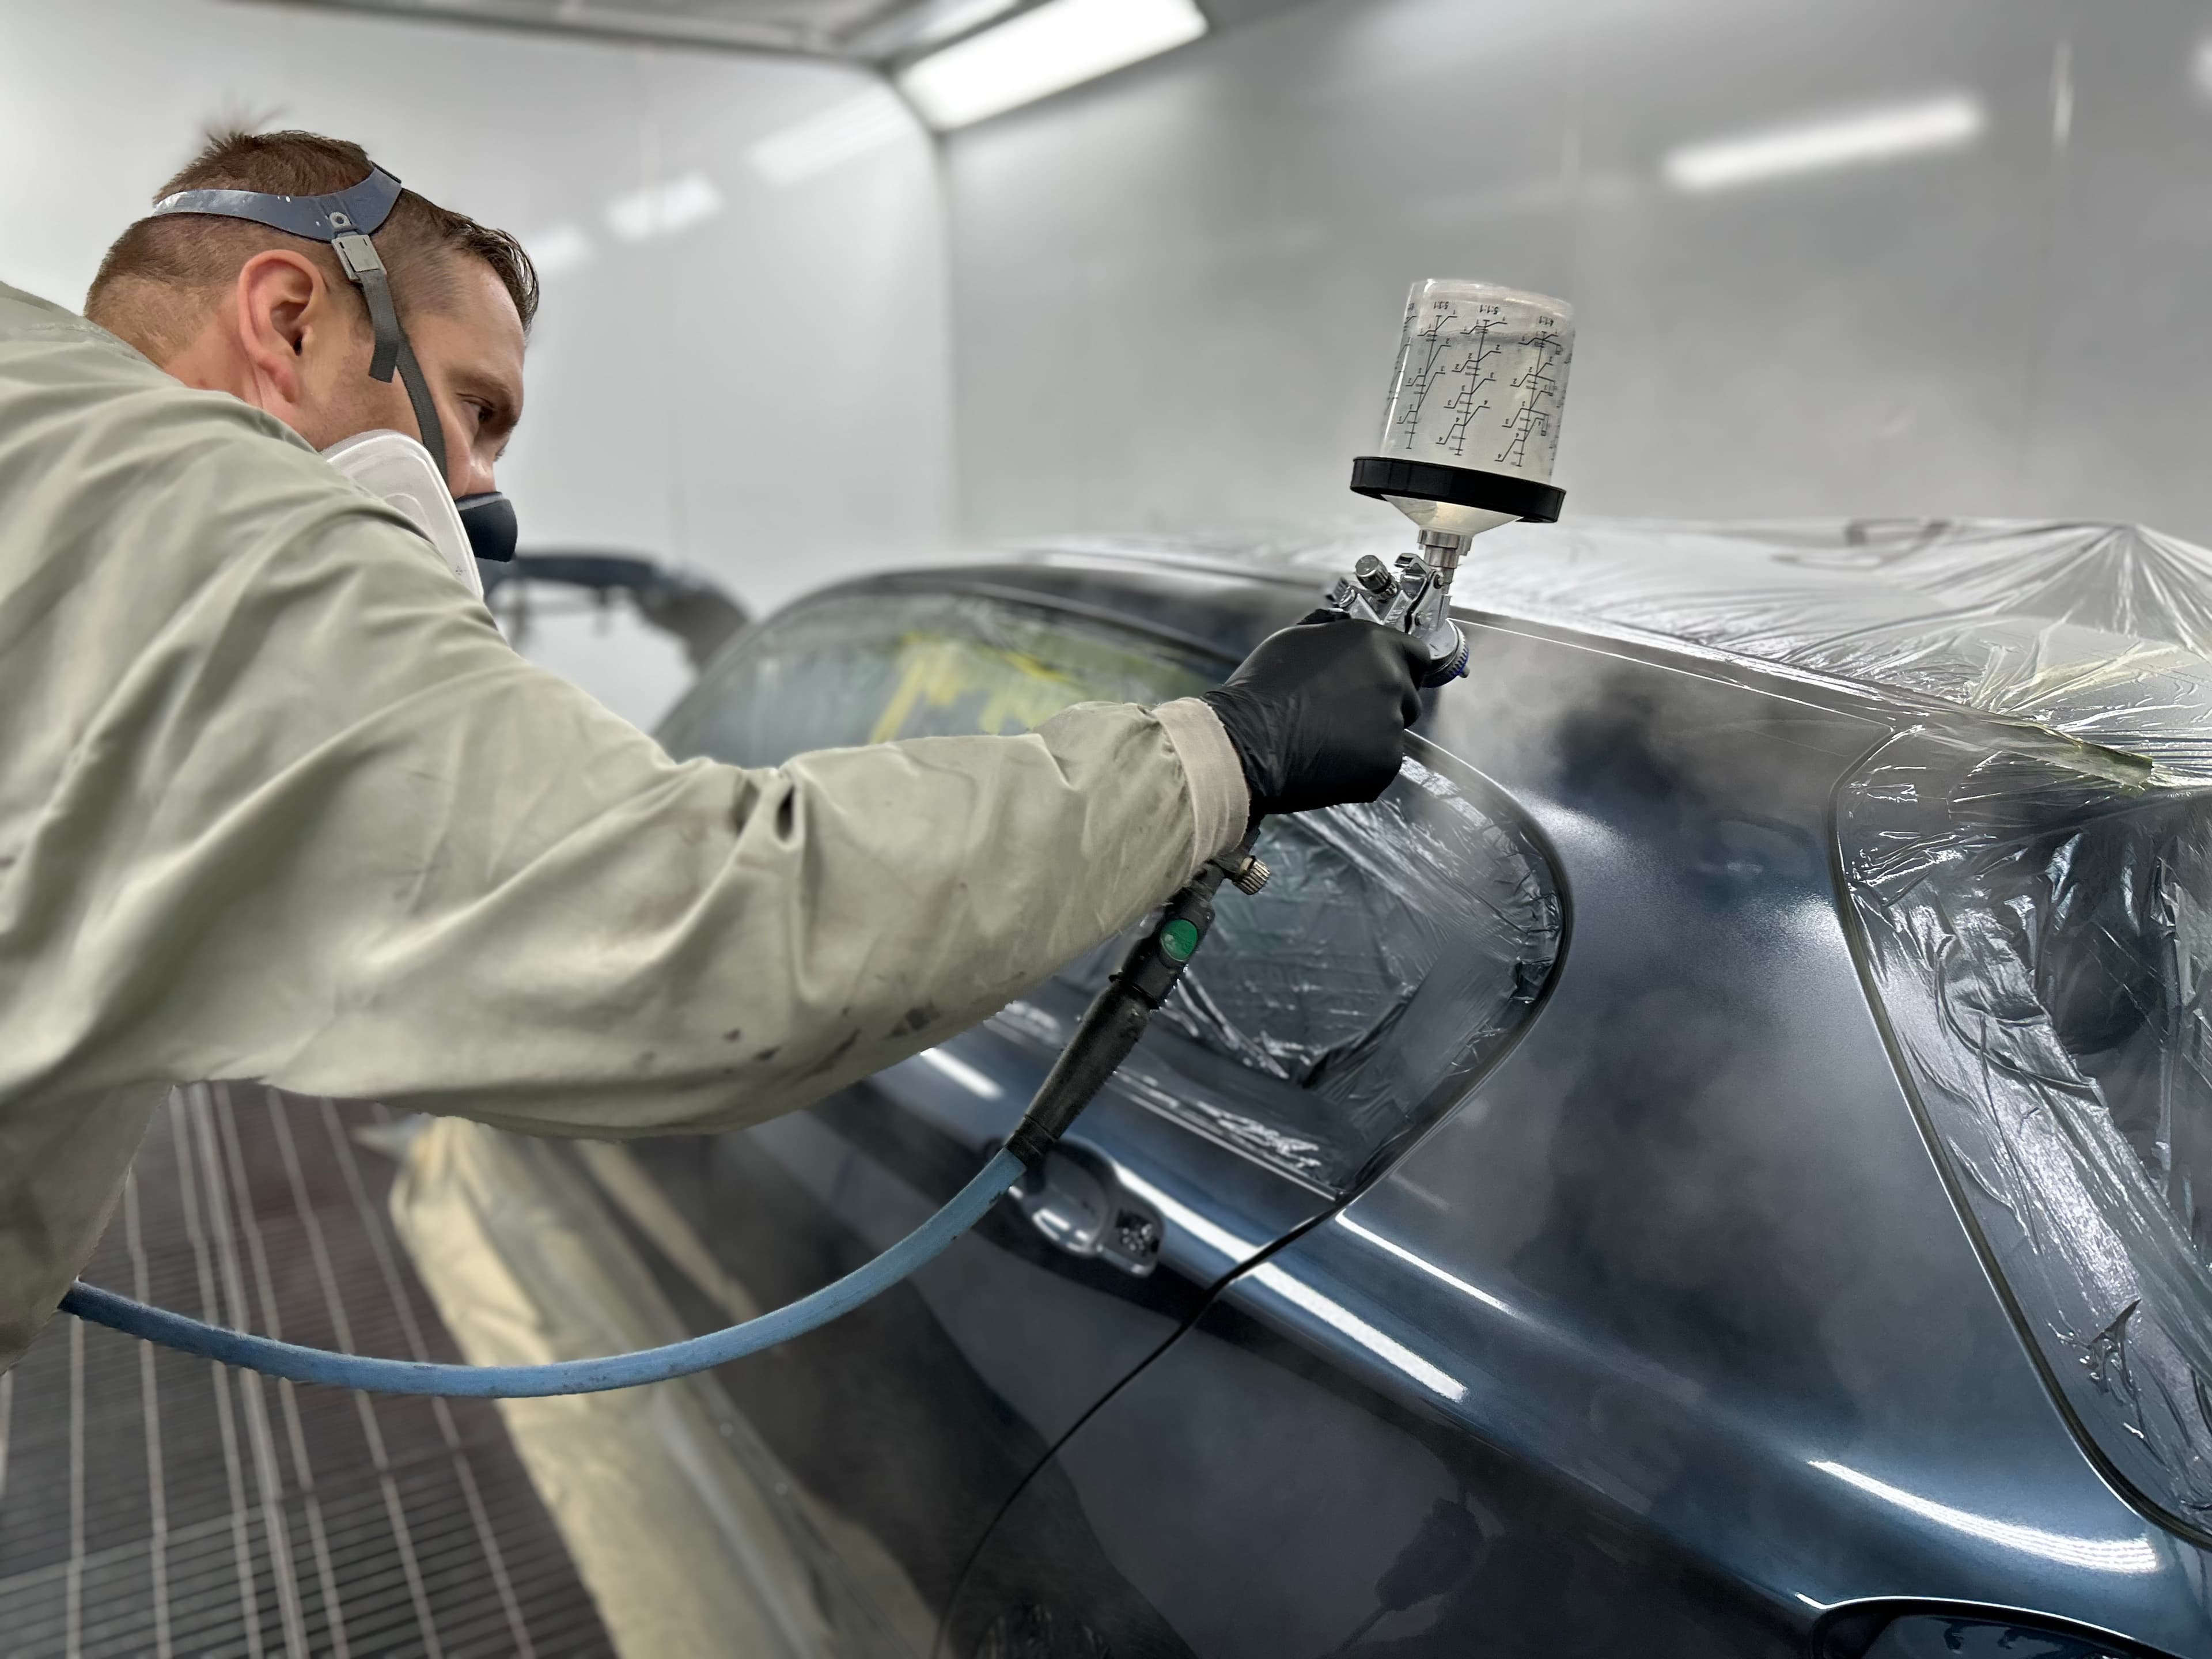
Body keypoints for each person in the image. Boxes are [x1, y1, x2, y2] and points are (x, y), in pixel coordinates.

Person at [0, 130, 1429, 1371]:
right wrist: (1226, 752)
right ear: (289, 317)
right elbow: (708, 913)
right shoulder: (221, 543)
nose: (483, 491)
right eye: (476, 409)